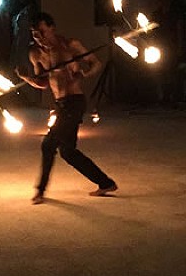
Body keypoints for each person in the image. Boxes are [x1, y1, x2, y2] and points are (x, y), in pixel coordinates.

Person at [15, 12, 118, 205]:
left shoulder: (70, 46)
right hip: (60, 104)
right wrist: (27, 79)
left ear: (52, 28)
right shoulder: (35, 54)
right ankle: (106, 183)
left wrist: (85, 73)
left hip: (75, 102)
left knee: (48, 145)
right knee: (68, 153)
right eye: (35, 34)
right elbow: (43, 83)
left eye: (41, 32)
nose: (38, 37)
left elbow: (95, 63)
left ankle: (40, 191)